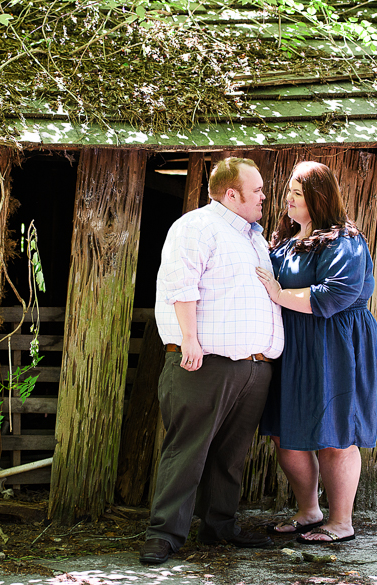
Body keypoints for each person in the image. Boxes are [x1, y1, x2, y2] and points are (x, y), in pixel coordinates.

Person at [140, 157, 285, 564]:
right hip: (204, 362)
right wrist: (190, 340)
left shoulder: (254, 237)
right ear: (231, 193)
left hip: (254, 366)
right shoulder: (197, 226)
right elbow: (180, 283)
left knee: (231, 454)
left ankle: (219, 526)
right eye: (256, 190)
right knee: (187, 450)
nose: (263, 196)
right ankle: (164, 534)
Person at [254, 160, 377, 544]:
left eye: (298, 193)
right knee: (286, 433)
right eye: (289, 192)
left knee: (335, 434)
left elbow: (338, 293)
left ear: (318, 197)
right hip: (292, 344)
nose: (288, 199)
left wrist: (279, 294)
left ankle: (341, 522)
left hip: (335, 344)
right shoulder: (285, 239)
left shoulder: (345, 241)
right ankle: (309, 511)